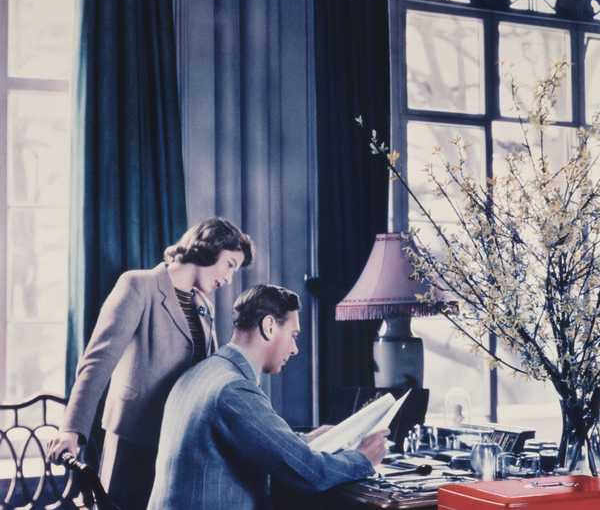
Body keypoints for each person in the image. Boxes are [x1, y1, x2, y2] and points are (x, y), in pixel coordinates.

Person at [48, 217, 255, 510]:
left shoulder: (204, 306)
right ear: (210, 249)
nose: (229, 278)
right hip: (133, 434)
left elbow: (207, 374)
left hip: (179, 440)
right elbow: (98, 360)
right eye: (230, 265)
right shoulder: (138, 285)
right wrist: (72, 428)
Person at [147, 284, 388, 510]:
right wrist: (363, 458)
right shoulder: (235, 389)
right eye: (293, 335)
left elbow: (251, 441)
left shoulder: (202, 373)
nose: (295, 349)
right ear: (269, 326)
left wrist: (305, 440)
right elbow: (310, 473)